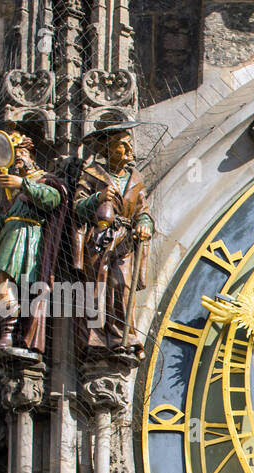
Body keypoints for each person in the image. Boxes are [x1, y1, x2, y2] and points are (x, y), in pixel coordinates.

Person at [0, 133, 69, 358]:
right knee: (2, 281)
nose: (17, 160)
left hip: (28, 238)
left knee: (3, 279)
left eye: (21, 154)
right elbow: (8, 219)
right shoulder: (14, 191)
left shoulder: (44, 180)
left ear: (32, 155)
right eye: (14, 157)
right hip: (11, 236)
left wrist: (23, 183)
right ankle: (8, 332)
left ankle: (10, 332)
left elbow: (53, 199)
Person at [73, 119, 154, 358]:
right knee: (99, 286)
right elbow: (77, 207)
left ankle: (124, 334)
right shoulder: (92, 174)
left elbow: (144, 211)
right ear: (107, 150)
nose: (129, 151)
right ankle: (98, 335)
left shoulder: (135, 179)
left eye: (130, 146)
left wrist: (144, 225)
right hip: (100, 238)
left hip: (125, 239)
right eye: (122, 146)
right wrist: (97, 198)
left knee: (122, 285)